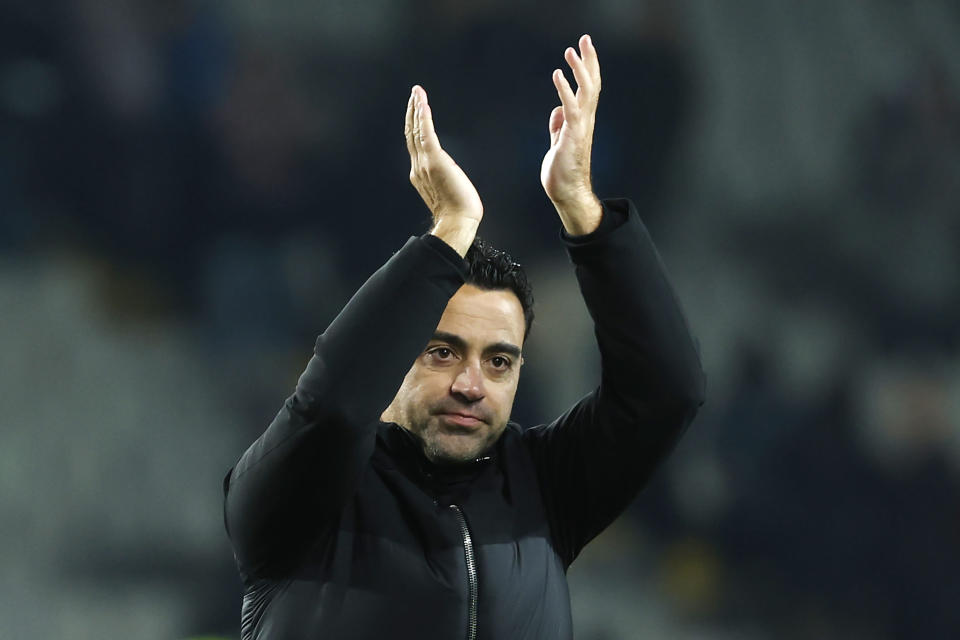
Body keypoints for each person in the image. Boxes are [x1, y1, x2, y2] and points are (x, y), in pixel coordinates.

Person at [223, 34, 705, 640]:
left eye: (500, 362)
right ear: (396, 352)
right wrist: (448, 232)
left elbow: (669, 392)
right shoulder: (301, 499)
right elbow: (332, 409)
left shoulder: (544, 491)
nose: (471, 384)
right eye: (444, 351)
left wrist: (584, 211)